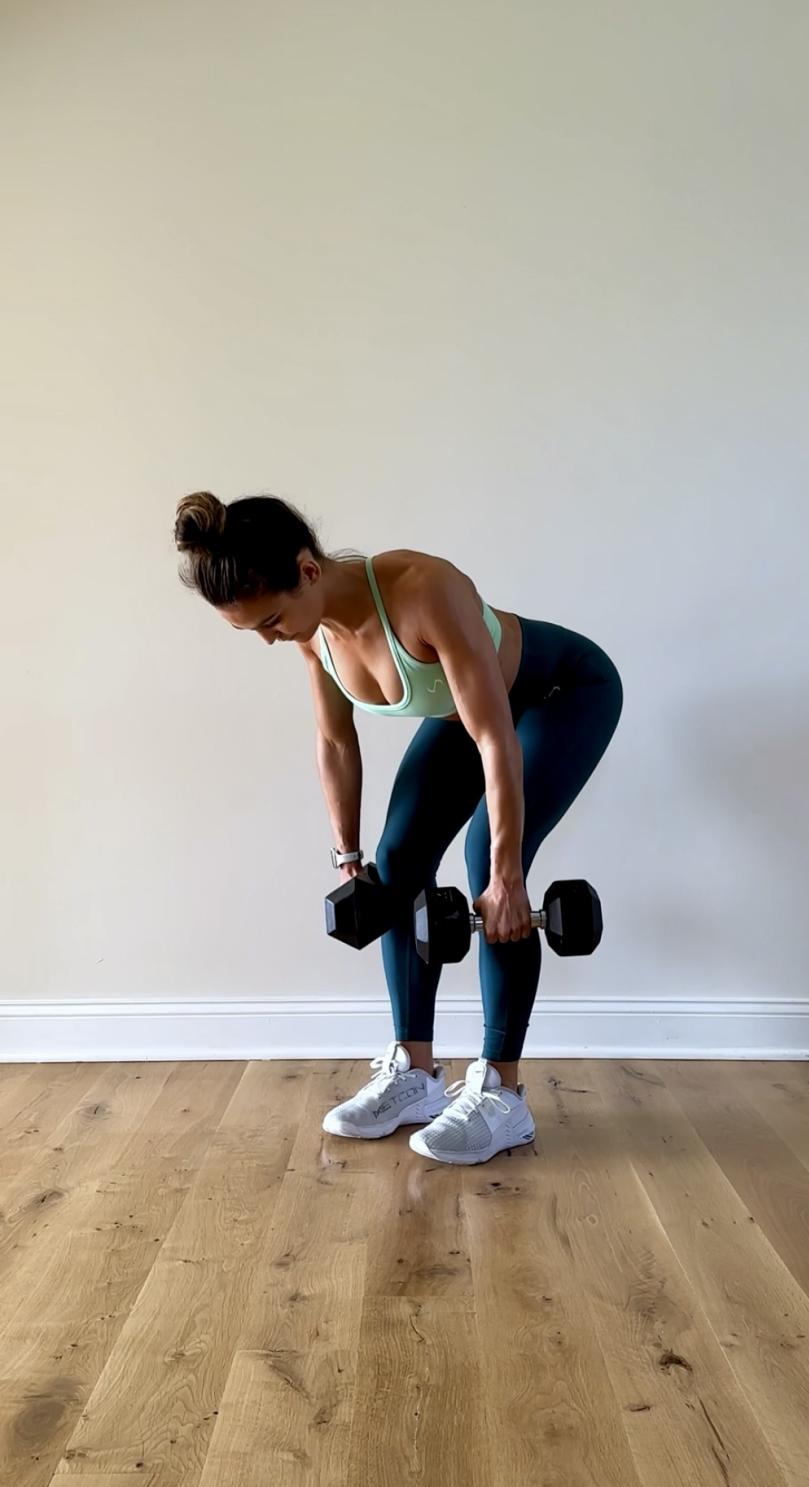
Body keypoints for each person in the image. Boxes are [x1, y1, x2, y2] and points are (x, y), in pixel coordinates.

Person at [174, 491, 623, 1164]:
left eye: (270, 620)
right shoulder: (314, 632)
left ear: (308, 570)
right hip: (467, 718)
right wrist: (347, 854)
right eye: (255, 631)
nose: (270, 637)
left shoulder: (422, 590)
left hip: (562, 694)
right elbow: (334, 743)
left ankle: (503, 1094)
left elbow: (496, 738)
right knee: (398, 858)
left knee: (488, 860)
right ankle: (414, 1075)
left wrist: (506, 878)